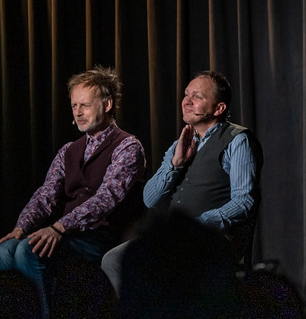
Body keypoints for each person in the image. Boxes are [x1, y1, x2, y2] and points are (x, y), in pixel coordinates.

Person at [0, 66, 146, 319]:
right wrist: (21, 227)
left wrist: (59, 227)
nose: (78, 112)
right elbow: (46, 194)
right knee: (6, 250)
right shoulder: (69, 150)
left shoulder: (128, 146)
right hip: (69, 233)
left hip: (101, 236)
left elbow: (106, 199)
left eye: (85, 105)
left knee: (28, 251)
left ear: (107, 104)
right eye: (74, 105)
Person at [101, 69, 261, 293]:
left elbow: (244, 201)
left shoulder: (237, 140)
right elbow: (149, 199)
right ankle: (143, 314)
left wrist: (199, 224)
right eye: (186, 95)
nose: (187, 101)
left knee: (158, 267)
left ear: (219, 108)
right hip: (175, 237)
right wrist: (175, 164)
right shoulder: (181, 143)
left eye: (197, 97)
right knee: (113, 260)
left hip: (212, 238)